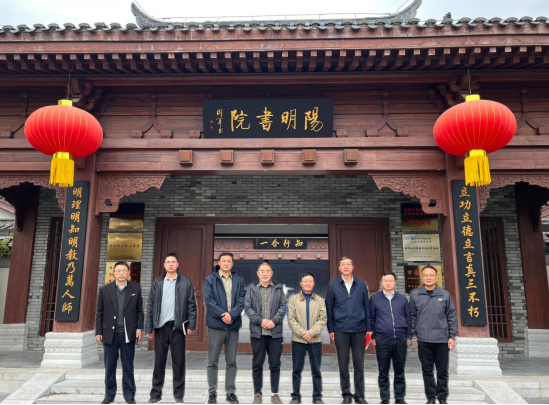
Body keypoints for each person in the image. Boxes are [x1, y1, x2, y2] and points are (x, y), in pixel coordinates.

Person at [145, 253, 197, 404]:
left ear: (177, 264)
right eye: (168, 262)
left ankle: (179, 394)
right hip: (161, 327)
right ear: (164, 265)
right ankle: (155, 394)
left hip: (177, 327)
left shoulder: (185, 282)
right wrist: (149, 326)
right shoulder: (158, 282)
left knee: (178, 362)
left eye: (173, 262)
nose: (171, 264)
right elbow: (151, 305)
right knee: (159, 362)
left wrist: (191, 324)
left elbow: (191, 305)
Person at [95, 261, 144, 405]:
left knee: (128, 365)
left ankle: (129, 396)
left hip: (128, 333)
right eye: (118, 271)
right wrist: (98, 331)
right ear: (113, 273)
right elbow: (99, 312)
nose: (121, 273)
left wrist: (139, 328)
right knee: (109, 366)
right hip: (109, 333)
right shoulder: (105, 290)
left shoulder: (135, 288)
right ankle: (109, 395)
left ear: (128, 273)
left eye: (124, 270)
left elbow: (140, 310)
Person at [326, 257, 372, 405]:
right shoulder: (333, 285)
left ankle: (359, 395)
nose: (346, 267)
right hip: (341, 329)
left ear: (352, 267)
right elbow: (329, 308)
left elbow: (367, 306)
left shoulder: (361, 284)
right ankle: (346, 394)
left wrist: (369, 327)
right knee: (343, 363)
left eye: (348, 264)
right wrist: (331, 328)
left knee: (359, 363)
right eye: (343, 265)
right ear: (339, 268)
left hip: (359, 329)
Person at [410, 266, 458, 405]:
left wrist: (452, 336)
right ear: (422, 277)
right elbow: (412, 316)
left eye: (431, 275)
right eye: (425, 275)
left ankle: (442, 397)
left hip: (442, 339)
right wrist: (413, 335)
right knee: (427, 370)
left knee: (442, 370)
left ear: (437, 277)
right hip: (423, 339)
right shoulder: (415, 294)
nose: (428, 278)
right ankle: (431, 397)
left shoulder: (445, 295)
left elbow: (451, 316)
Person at [204, 253, 246, 405]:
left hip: (232, 326)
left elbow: (242, 300)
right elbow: (209, 301)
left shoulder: (239, 280)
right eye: (224, 261)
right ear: (219, 263)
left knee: (231, 361)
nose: (226, 263)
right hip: (216, 325)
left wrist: (231, 315)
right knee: (212, 361)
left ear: (232, 263)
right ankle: (212, 392)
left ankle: (230, 392)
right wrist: (224, 314)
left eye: (229, 261)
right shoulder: (210, 279)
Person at [244, 262, 287, 405]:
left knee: (275, 364)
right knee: (257, 363)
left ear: (272, 273)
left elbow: (282, 307)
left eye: (267, 271)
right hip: (258, 333)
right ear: (258, 273)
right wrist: (260, 321)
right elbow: (248, 308)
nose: (265, 273)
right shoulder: (251, 289)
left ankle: (275, 393)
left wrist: (274, 321)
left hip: (275, 333)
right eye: (262, 271)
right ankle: (257, 393)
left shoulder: (278, 288)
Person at [370, 273, 412, 405]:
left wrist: (408, 335)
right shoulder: (375, 299)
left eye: (391, 280)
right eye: (385, 281)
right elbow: (371, 318)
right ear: (381, 282)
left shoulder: (402, 299)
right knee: (383, 372)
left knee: (400, 371)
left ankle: (400, 399)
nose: (388, 283)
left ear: (395, 283)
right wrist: (373, 336)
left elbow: (408, 317)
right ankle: (385, 399)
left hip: (400, 339)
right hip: (382, 340)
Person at [287, 272, 327, 405]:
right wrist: (304, 334)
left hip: (315, 340)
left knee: (316, 370)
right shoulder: (293, 299)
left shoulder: (320, 300)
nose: (308, 283)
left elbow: (322, 319)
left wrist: (311, 333)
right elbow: (291, 320)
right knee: (297, 369)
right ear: (301, 283)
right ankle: (295, 396)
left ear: (314, 283)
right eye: (305, 281)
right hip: (298, 340)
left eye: (310, 281)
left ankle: (317, 396)